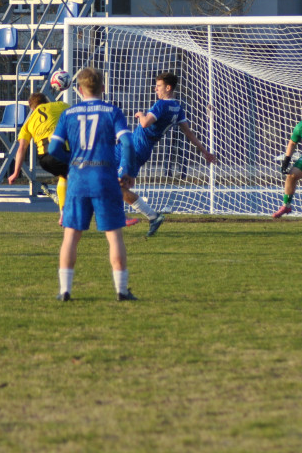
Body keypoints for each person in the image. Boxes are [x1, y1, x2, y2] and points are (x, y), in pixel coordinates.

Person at [47, 67, 137, 301]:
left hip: (78, 180)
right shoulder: (112, 111)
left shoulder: (69, 114)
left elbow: (53, 149)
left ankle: (65, 291)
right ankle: (121, 290)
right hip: (105, 178)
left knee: (71, 236)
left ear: (78, 89)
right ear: (103, 88)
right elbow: (127, 143)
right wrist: (126, 170)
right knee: (114, 236)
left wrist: (74, 162)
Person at [119, 71, 216, 236]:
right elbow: (189, 133)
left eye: (158, 86)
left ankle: (147, 216)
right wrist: (204, 151)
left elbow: (144, 124)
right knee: (108, 176)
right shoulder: (177, 108)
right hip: (136, 148)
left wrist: (141, 114)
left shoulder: (161, 105)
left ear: (168, 87)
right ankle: (128, 215)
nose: (155, 89)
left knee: (117, 186)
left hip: (136, 148)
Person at [8, 92, 70, 222]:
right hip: (61, 152)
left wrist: (15, 173)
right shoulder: (59, 105)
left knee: (64, 176)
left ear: (32, 108)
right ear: (46, 101)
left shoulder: (28, 122)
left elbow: (21, 149)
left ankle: (64, 210)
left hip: (43, 159)